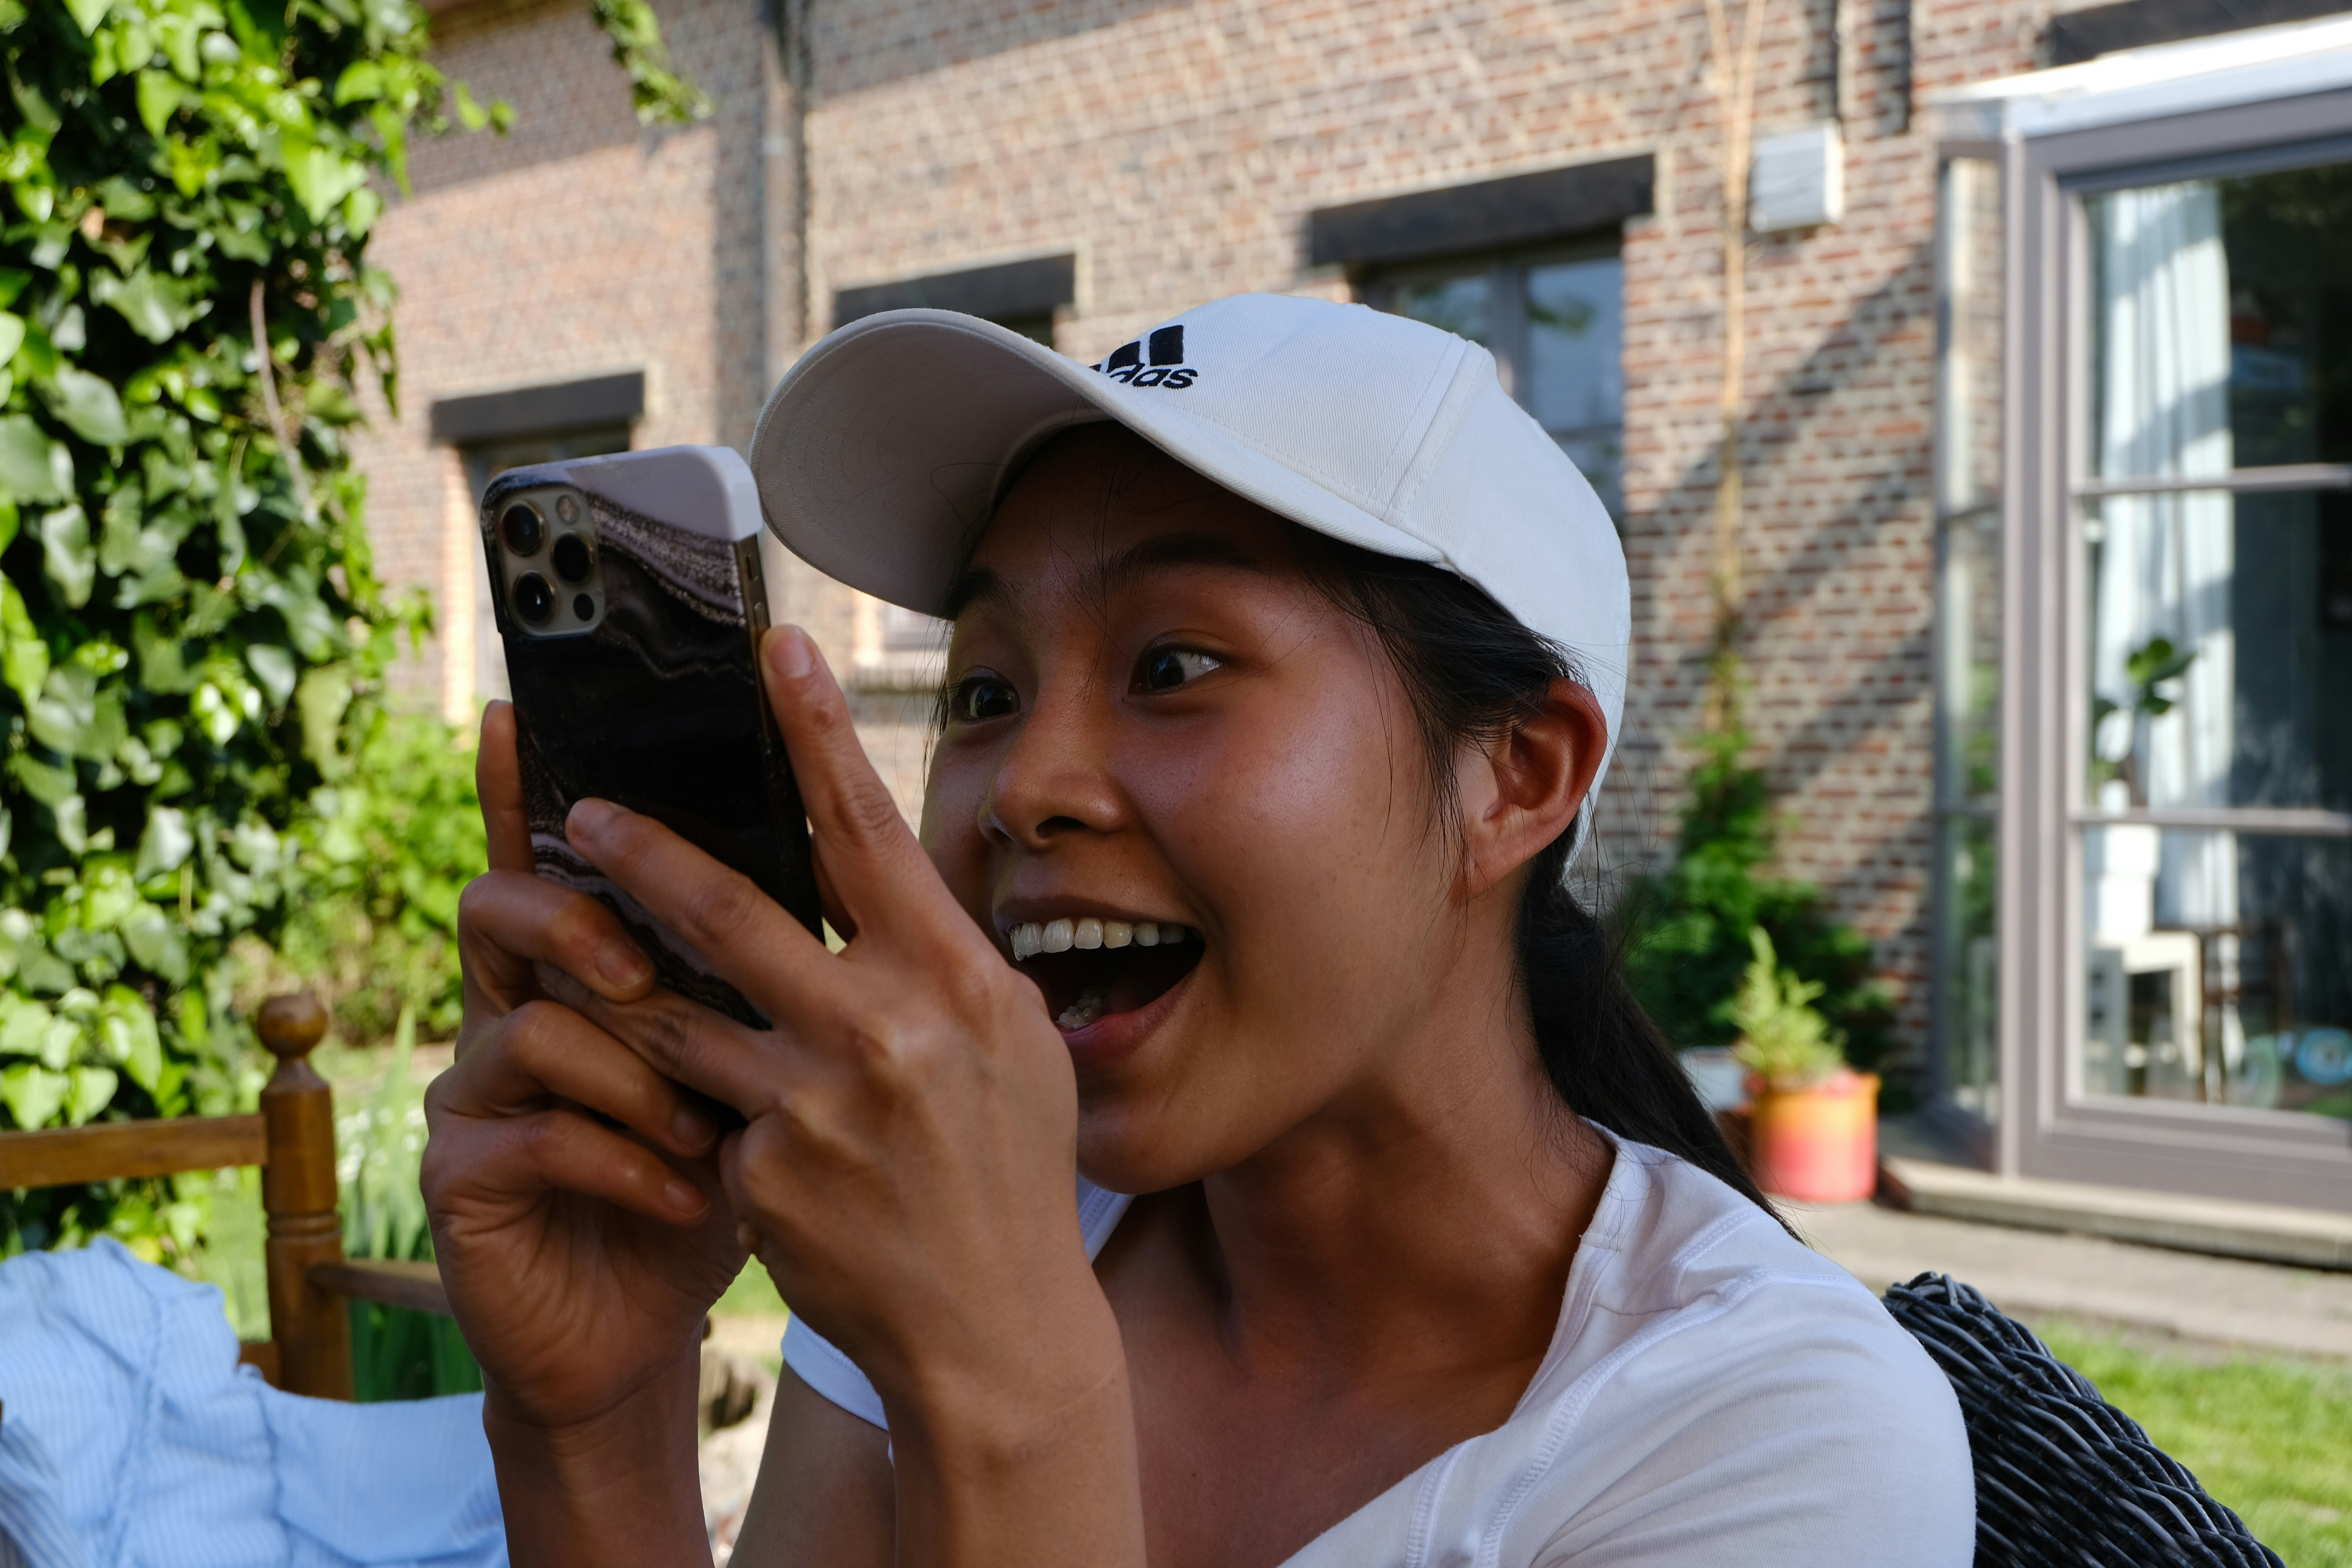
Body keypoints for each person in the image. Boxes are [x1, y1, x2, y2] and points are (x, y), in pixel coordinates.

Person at [422, 294, 1974, 1568]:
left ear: (1518, 776)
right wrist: (599, 1416)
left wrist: (1006, 1379)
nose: (1023, 785)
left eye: (1174, 663)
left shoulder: (1763, 1436)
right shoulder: (989, 1219)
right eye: (984, 689)